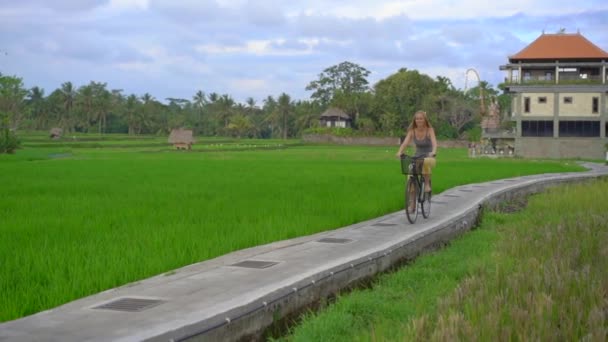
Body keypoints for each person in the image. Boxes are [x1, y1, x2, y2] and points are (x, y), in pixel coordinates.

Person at [396, 110, 437, 197]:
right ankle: (412, 201)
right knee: (410, 173)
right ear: (414, 120)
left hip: (429, 156)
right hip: (417, 156)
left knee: (425, 162)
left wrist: (433, 152)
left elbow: (434, 143)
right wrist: (400, 152)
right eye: (417, 119)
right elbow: (405, 143)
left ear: (425, 120)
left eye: (421, 119)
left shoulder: (430, 130)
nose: (419, 120)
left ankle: (426, 184)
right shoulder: (412, 131)